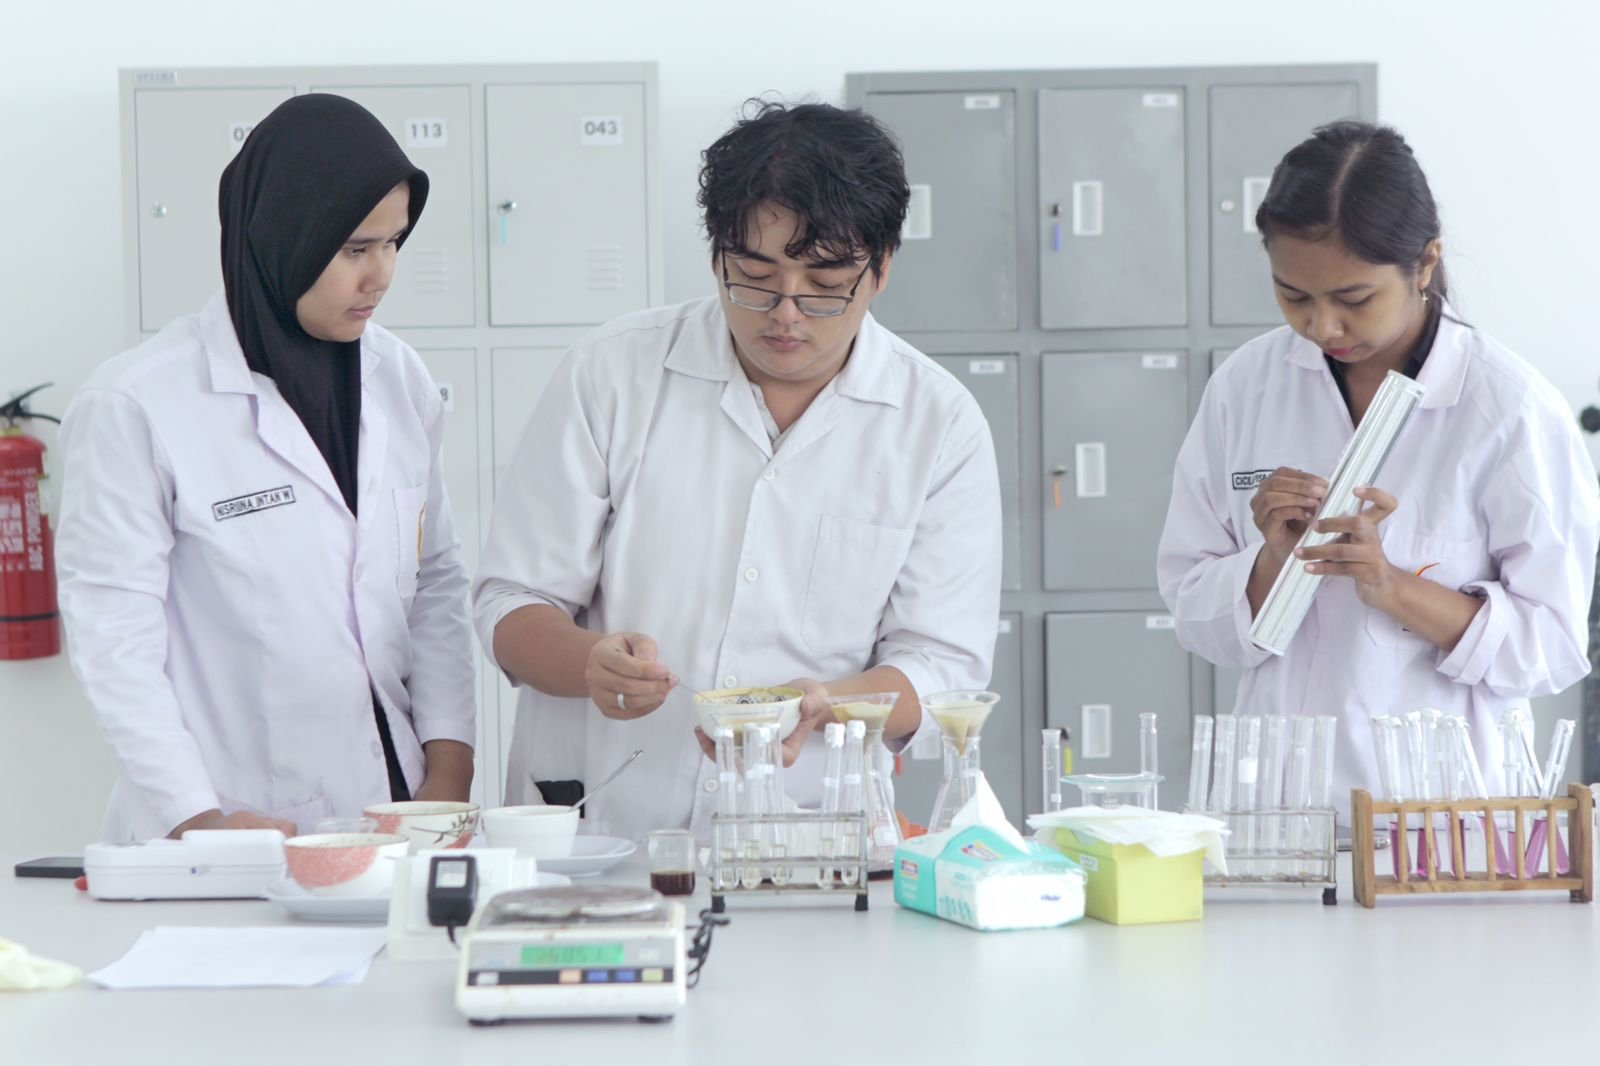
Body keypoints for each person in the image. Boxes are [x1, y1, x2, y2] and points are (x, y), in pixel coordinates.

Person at [473, 100, 1002, 841]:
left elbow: (943, 663)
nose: (785, 312)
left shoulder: (936, 423)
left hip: (811, 831)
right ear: (716, 254)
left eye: (825, 284)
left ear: (881, 268)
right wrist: (591, 663)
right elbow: (512, 600)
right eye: (754, 275)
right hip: (602, 829)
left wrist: (826, 704)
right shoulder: (612, 374)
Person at [56, 94, 476, 841]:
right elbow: (115, 637)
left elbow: (436, 581)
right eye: (355, 249)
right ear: (285, 234)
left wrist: (448, 770)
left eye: (394, 242)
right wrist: (196, 817)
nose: (381, 275)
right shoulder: (138, 403)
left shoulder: (397, 377)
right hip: (228, 826)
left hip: (398, 813)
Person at [1158, 121, 1599, 801]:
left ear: (1424, 264)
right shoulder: (1246, 386)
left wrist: (1391, 584)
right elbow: (1192, 609)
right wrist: (1273, 560)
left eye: (1354, 299)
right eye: (1294, 296)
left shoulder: (1510, 409)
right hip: (1277, 806)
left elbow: (1550, 648)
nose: (1323, 327)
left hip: (1438, 820)